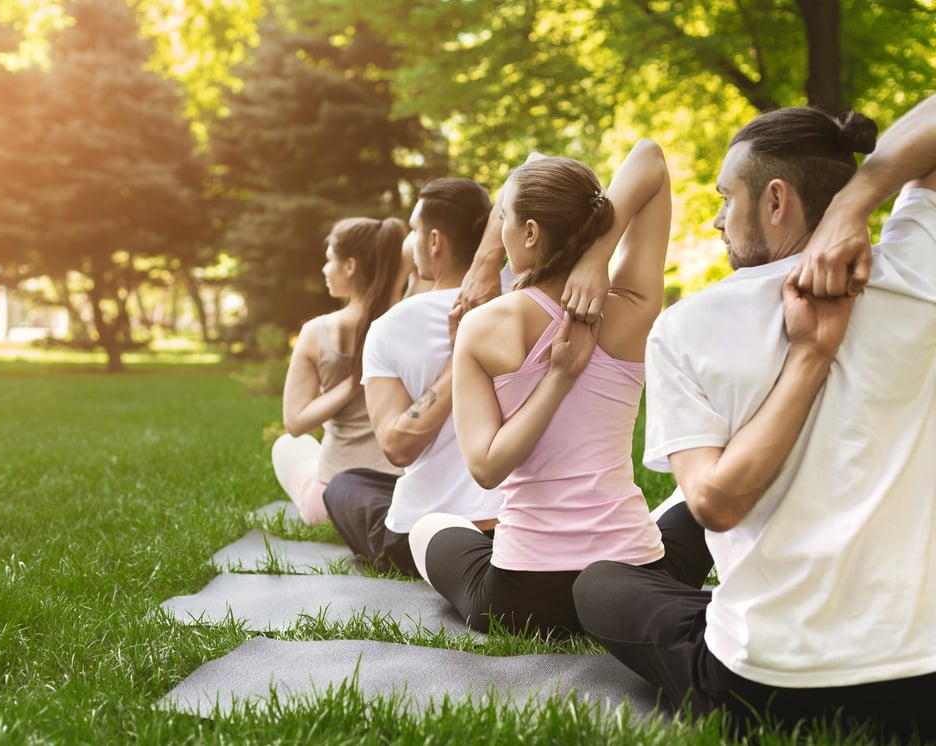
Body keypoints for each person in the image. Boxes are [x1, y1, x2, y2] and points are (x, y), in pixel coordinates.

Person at [573, 93, 936, 741]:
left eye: (723, 197)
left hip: (770, 687)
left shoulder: (686, 328)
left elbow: (716, 504)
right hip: (922, 681)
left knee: (601, 584)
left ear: (776, 200)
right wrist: (864, 198)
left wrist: (811, 354)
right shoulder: (917, 269)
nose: (715, 220)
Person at [408, 142, 712, 636]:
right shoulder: (629, 306)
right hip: (638, 579)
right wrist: (600, 256)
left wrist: (557, 379)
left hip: (522, 596)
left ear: (529, 232)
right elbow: (651, 159)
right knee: (694, 498)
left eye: (505, 218)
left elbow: (485, 469)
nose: (502, 233)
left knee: (430, 528)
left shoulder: (482, 326)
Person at [323, 178, 505, 576]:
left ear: (434, 241)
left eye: (414, 231)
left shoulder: (391, 326)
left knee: (342, 487)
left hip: (427, 537)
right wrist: (491, 258)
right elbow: (534, 168)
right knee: (366, 480)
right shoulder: (526, 298)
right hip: (516, 525)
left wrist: (461, 362)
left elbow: (397, 447)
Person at [271, 217, 407, 525]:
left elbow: (295, 423)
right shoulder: (404, 321)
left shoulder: (315, 332)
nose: (324, 269)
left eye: (329, 259)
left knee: (288, 446)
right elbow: (409, 249)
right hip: (397, 493)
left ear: (350, 266)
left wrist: (349, 384)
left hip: (331, 501)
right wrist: (358, 379)